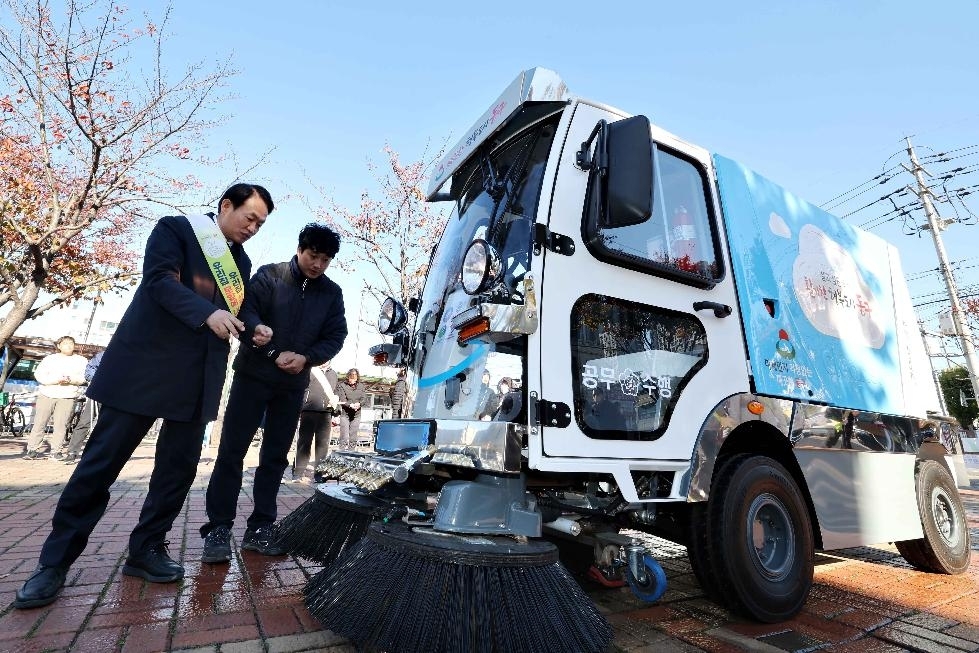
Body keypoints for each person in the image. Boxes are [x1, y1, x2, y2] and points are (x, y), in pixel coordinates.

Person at [13, 183, 273, 610]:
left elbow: (238, 309)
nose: (253, 228)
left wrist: (255, 325)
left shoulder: (239, 261)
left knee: (177, 472)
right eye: (250, 217)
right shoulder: (176, 229)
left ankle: (147, 550)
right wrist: (207, 313)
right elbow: (159, 282)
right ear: (226, 205)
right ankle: (53, 563)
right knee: (99, 468)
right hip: (143, 371)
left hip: (197, 381)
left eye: (261, 224)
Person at [201, 223, 346, 564]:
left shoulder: (332, 293)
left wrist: (307, 358)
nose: (318, 265)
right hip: (253, 375)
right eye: (313, 255)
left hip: (293, 384)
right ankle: (219, 528)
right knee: (231, 452)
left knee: (275, 457)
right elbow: (245, 310)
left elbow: (335, 335)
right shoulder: (270, 275)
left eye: (326, 259)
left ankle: (261, 528)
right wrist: (257, 330)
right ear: (300, 249)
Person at [23, 336, 88, 460]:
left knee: (61, 425)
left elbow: (84, 378)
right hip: (47, 394)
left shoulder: (81, 360)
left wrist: (71, 380)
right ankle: (32, 449)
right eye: (65, 343)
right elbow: (39, 375)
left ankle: (56, 451)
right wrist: (55, 380)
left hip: (68, 396)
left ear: (75, 346)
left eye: (71, 343)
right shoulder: (50, 359)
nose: (68, 346)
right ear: (59, 346)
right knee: (39, 423)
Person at [54, 350, 105, 465]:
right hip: (99, 392)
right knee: (85, 422)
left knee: (108, 425)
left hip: (118, 396)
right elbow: (89, 371)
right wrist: (100, 378)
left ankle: (100, 455)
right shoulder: (103, 355)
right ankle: (72, 452)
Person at [294, 360, 340, 484]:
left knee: (322, 445)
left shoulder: (334, 374)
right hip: (308, 411)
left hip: (326, 412)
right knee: (304, 443)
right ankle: (298, 473)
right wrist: (300, 407)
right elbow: (303, 388)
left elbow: (336, 393)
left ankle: (319, 474)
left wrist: (336, 412)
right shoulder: (310, 370)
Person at [336, 368, 366, 449]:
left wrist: (359, 404)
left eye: (354, 379)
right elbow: (342, 400)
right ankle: (341, 454)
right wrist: (351, 405)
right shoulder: (342, 386)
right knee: (344, 436)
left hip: (356, 415)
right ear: (348, 377)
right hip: (345, 414)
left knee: (353, 436)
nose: (352, 381)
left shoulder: (361, 386)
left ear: (357, 378)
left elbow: (364, 399)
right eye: (351, 379)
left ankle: (351, 453)